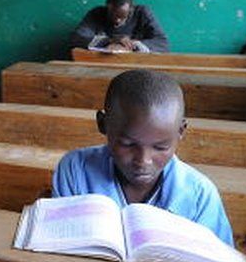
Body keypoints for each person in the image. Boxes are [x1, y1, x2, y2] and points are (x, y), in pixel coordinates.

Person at [51, 69, 234, 245]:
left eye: (160, 147)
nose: (143, 160)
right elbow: (57, 240)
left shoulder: (199, 195)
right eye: (128, 144)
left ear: (181, 131)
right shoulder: (75, 170)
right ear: (103, 124)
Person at [70, 0, 169, 53]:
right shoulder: (96, 14)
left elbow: (162, 43)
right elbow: (77, 38)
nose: (117, 20)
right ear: (107, 8)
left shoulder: (142, 13)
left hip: (137, 66)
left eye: (122, 17)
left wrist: (132, 45)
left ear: (131, 9)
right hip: (104, 65)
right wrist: (110, 41)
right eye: (113, 15)